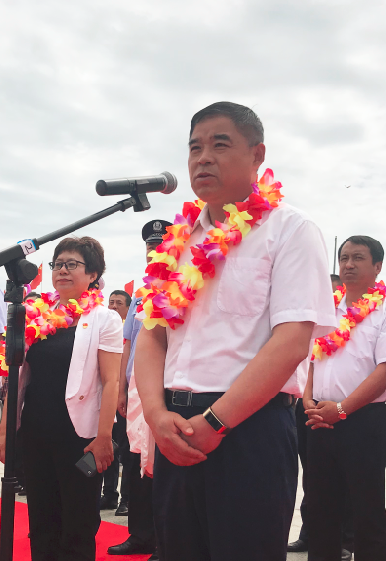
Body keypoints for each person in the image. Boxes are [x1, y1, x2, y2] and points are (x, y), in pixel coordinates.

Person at [134, 101, 336, 561]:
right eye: (194, 148)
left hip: (248, 431)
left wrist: (216, 421)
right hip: (173, 426)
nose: (202, 158)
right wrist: (155, 414)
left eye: (219, 145)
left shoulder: (290, 229)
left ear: (257, 154)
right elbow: (152, 336)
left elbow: (291, 342)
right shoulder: (176, 244)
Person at [0, 236, 123, 561]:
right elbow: (19, 379)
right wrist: (5, 432)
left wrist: (104, 437)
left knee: (78, 523)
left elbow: (111, 381)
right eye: (58, 264)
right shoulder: (35, 316)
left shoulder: (104, 318)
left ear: (93, 273)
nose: (63, 271)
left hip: (79, 438)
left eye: (72, 264)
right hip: (35, 434)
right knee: (41, 520)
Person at [305, 235, 386, 561]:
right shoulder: (326, 309)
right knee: (320, 506)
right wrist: (308, 399)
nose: (349, 265)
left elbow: (383, 369)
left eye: (358, 258)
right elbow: (310, 357)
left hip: (364, 421)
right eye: (344, 258)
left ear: (377, 266)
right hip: (317, 419)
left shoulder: (381, 310)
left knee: (366, 508)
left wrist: (341, 409)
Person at [107, 219, 171, 561]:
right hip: (134, 393)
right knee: (135, 464)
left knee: (161, 465)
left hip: (165, 389)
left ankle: (165, 540)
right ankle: (140, 535)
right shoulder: (142, 294)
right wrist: (120, 387)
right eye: (149, 246)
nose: (153, 250)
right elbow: (127, 343)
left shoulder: (182, 284)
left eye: (159, 244)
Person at [288, 274, 354, 561]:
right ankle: (310, 533)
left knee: (343, 478)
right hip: (302, 403)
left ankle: (345, 539)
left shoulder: (347, 319)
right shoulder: (305, 319)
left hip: (340, 407)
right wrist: (304, 399)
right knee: (312, 476)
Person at [100, 290, 131, 515]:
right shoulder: (103, 330)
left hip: (124, 399)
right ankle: (109, 494)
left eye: (119, 303)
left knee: (126, 450)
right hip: (103, 399)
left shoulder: (129, 335)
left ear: (128, 309)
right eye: (110, 302)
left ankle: (126, 499)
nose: (113, 307)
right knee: (105, 445)